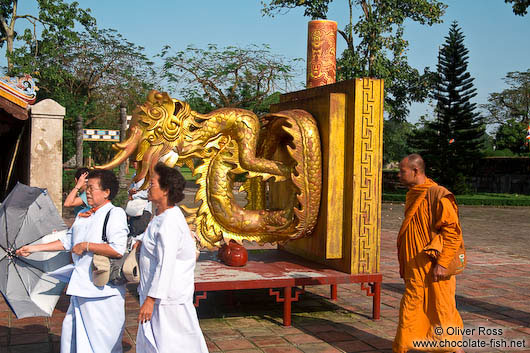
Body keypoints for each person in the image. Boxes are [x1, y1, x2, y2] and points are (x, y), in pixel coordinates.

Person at [17, 169, 129, 353]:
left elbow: (117, 248)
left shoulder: (114, 214)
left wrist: (86, 245)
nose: (88, 193)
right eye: (87, 189)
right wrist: (33, 248)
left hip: (102, 291)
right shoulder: (83, 215)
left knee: (101, 341)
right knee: (73, 337)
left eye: (92, 189)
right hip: (81, 286)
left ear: (106, 192)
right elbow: (67, 242)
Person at [393, 154, 464, 353]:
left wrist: (442, 263)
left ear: (415, 171)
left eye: (402, 171)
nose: (398, 175)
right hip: (416, 267)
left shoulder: (438, 195)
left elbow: (452, 232)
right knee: (414, 307)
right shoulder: (415, 193)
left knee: (442, 309)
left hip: (434, 267)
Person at [134, 162, 208, 353]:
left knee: (173, 345)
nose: (149, 188)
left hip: (167, 298)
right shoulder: (161, 216)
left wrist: (150, 300)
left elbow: (165, 264)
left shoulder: (170, 222)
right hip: (160, 296)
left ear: (165, 190)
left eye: (152, 184)